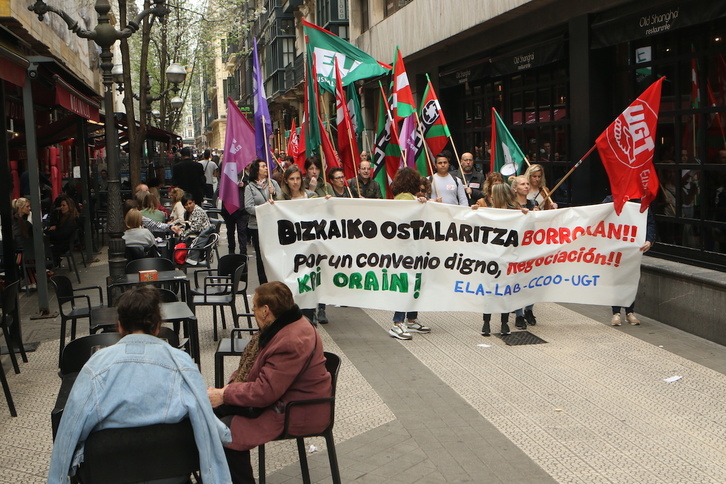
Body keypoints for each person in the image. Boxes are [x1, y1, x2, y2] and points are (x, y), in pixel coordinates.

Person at [47, 286, 232, 484]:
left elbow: (69, 430)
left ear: (119, 326)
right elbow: (205, 423)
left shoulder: (96, 365)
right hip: (171, 473)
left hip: (109, 473)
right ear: (157, 326)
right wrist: (223, 433)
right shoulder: (182, 363)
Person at [207, 282, 331, 484]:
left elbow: (264, 391)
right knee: (208, 415)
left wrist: (225, 394)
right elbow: (256, 372)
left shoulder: (291, 339)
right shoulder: (281, 327)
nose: (253, 311)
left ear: (266, 311)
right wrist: (226, 392)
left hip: (297, 408)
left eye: (254, 307)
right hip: (283, 398)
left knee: (224, 433)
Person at [478, 183, 530, 336]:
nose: (491, 197)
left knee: (505, 292)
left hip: (507, 259)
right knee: (491, 291)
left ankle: (503, 322)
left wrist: (525, 214)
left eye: (494, 194)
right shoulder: (487, 211)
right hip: (491, 259)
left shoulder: (515, 213)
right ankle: (486, 322)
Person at [388, 167, 431, 340]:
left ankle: (411, 318)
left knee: (415, 283)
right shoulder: (406, 198)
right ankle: (397, 322)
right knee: (407, 284)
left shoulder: (407, 197)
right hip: (407, 250)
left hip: (412, 249)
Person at [603, 195, 656, 326]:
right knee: (617, 279)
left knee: (630, 279)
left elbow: (650, 223)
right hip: (615, 247)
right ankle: (616, 313)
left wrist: (649, 240)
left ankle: (629, 312)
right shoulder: (611, 199)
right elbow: (598, 213)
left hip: (633, 249)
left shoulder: (642, 203)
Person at [245, 159, 281, 284]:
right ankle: (263, 283)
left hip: (272, 225)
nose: (266, 168)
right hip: (257, 227)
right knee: (261, 256)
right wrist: (264, 209)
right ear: (257, 170)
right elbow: (248, 207)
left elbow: (281, 202)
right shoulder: (250, 187)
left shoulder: (273, 183)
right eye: (263, 166)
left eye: (266, 166)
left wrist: (274, 193)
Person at [511, 175, 538, 329]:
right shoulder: (510, 205)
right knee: (517, 280)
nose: (526, 186)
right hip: (516, 247)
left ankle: (529, 310)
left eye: (528, 184)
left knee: (530, 280)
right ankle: (519, 314)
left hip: (530, 246)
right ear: (515, 188)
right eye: (522, 184)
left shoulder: (533, 203)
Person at [221, 167, 249, 255]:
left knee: (242, 231)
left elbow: (250, 187)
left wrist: (243, 185)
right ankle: (231, 251)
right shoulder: (225, 176)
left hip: (241, 208)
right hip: (229, 208)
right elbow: (220, 190)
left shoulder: (245, 175)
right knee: (230, 231)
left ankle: (243, 252)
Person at [46, 195, 79, 266]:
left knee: (45, 249)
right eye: (61, 205)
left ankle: (50, 266)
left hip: (63, 245)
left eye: (63, 205)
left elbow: (61, 235)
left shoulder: (70, 220)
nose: (61, 207)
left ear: (69, 206)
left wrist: (48, 232)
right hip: (65, 243)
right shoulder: (69, 218)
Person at [12, 198, 38, 287]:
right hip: (21, 252)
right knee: (30, 255)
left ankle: (30, 281)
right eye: (27, 206)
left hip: (22, 250)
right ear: (20, 207)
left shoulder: (20, 220)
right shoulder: (18, 221)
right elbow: (18, 237)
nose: (29, 208)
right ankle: (30, 280)